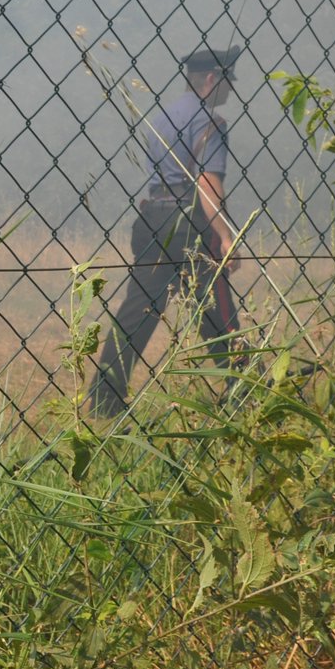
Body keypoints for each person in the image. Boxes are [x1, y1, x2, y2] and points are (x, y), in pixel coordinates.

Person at [87, 45, 243, 417]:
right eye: (228, 82)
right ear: (211, 79)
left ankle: (105, 398)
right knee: (216, 309)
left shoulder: (160, 119)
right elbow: (206, 182)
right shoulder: (210, 123)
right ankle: (244, 390)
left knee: (137, 310)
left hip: (153, 217)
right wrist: (224, 234)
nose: (231, 90)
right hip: (191, 221)